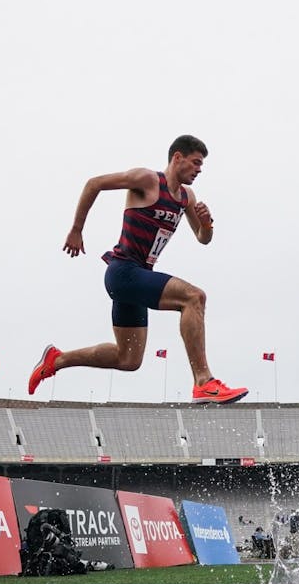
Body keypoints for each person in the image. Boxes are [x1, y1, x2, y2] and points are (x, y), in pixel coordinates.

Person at [28, 135, 247, 404]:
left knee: (128, 359)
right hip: (123, 272)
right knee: (194, 297)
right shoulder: (147, 180)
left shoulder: (186, 197)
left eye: (201, 165)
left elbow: (203, 239)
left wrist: (206, 224)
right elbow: (94, 183)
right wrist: (76, 229)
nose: (199, 169)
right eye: (196, 162)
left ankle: (57, 360)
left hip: (136, 279)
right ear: (177, 157)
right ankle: (204, 381)